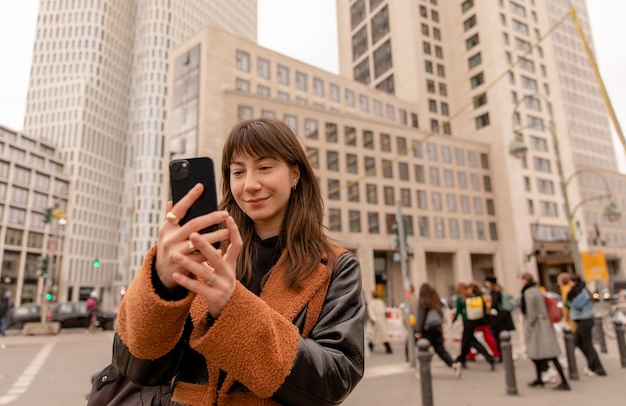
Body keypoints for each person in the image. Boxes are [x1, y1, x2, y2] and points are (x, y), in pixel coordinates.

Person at [112, 118, 365, 406]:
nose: (250, 185)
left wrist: (231, 308)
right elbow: (137, 367)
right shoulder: (201, 252)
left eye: (265, 167)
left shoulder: (336, 267)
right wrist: (162, 283)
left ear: (295, 174)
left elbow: (336, 380)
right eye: (238, 171)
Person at [519, 272, 570, 390]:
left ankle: (561, 381)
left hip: (538, 326)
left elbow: (531, 312)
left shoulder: (528, 292)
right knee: (542, 354)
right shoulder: (537, 290)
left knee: (545, 354)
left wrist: (528, 327)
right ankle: (540, 378)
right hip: (545, 324)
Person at [414, 283, 461, 378]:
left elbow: (421, 317)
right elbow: (440, 315)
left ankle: (422, 370)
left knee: (422, 350)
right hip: (437, 328)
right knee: (440, 350)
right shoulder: (435, 300)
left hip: (427, 329)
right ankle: (453, 364)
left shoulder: (423, 301)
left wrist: (418, 330)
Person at [567, 274, 607, 376]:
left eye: (570, 281)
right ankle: (592, 365)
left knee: (586, 344)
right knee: (580, 342)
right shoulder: (578, 290)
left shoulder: (581, 291)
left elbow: (576, 304)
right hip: (581, 320)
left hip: (585, 319)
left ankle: (597, 367)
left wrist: (568, 303)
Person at [452, 282, 496, 370]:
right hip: (473, 320)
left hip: (467, 321)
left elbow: (458, 311)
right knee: (466, 341)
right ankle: (461, 359)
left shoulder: (460, 298)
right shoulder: (470, 295)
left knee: (472, 341)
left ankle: (489, 358)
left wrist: (453, 321)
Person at [484, 275, 515, 361]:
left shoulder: (495, 292)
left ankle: (503, 356)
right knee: (502, 336)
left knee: (498, 336)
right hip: (504, 317)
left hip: (499, 318)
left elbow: (494, 304)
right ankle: (505, 355)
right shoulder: (499, 290)